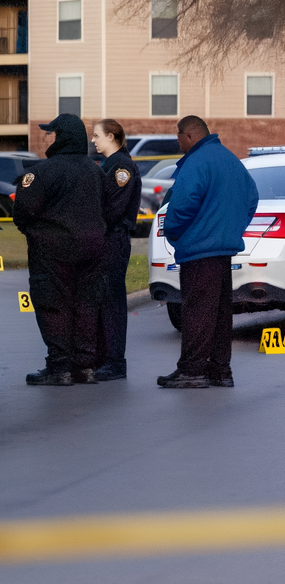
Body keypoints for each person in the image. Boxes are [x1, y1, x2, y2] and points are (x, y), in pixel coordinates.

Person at [158, 115, 258, 389]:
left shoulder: (197, 161)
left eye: (178, 135)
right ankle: (220, 370)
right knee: (220, 312)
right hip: (223, 250)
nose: (177, 140)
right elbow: (252, 198)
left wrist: (174, 231)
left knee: (197, 311)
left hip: (199, 250)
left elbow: (183, 204)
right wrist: (233, 228)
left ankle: (192, 370)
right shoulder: (230, 160)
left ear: (189, 135)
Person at [13, 113, 107, 385]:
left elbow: (23, 213)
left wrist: (37, 234)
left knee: (54, 306)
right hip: (92, 249)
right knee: (87, 306)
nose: (48, 138)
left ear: (61, 137)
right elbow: (108, 210)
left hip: (52, 251)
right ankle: (84, 366)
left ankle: (60, 367)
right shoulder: (96, 171)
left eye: (51, 133)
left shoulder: (41, 172)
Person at [91, 119, 141, 381]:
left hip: (113, 240)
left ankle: (114, 361)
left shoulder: (121, 167)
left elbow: (112, 208)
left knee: (112, 302)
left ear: (111, 137)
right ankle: (103, 357)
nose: (93, 140)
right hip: (104, 240)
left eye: (97, 135)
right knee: (102, 300)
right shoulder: (108, 165)